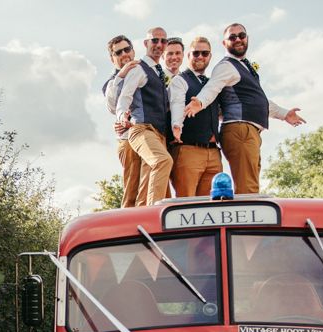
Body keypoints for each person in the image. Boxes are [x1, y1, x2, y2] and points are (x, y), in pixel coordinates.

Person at [183, 22, 305, 194]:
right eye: (232, 37)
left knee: (251, 185)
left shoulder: (244, 67)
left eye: (241, 35)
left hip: (250, 131)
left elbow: (259, 100)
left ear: (247, 38)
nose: (238, 39)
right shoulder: (226, 66)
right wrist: (199, 102)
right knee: (248, 187)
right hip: (240, 130)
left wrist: (285, 114)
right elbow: (212, 88)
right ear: (224, 43)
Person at [115, 26, 173, 206]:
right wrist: (121, 116)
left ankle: (143, 218)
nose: (159, 44)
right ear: (146, 43)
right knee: (163, 161)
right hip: (141, 129)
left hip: (159, 133)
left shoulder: (158, 72)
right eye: (155, 40)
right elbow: (125, 95)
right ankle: (153, 214)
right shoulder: (139, 68)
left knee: (147, 183)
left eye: (163, 41)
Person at [169, 36, 222, 196]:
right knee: (187, 206)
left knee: (212, 207)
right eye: (196, 53)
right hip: (188, 150)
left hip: (214, 154)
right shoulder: (179, 81)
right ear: (188, 56)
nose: (200, 57)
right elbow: (177, 104)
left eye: (204, 53)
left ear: (210, 56)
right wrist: (177, 125)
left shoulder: (212, 84)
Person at [103, 35, 142, 208]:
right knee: (132, 190)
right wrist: (122, 74)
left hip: (154, 136)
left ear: (133, 50)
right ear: (112, 58)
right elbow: (112, 107)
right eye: (119, 52)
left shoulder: (146, 72)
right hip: (129, 140)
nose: (125, 54)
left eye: (127, 49)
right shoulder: (112, 83)